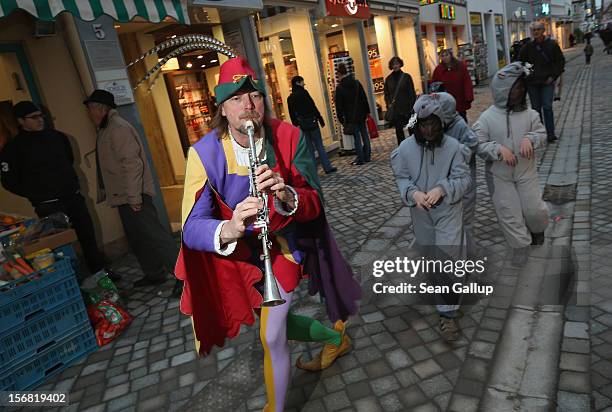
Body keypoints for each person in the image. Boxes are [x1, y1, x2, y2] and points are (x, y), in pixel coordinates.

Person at [174, 57, 361, 412]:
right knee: (280, 324)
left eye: (255, 96)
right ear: (223, 110)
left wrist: (287, 194)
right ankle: (336, 336)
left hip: (285, 248)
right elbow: (191, 226)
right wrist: (228, 228)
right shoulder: (203, 153)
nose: (248, 106)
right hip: (238, 256)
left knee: (271, 335)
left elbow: (315, 200)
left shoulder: (288, 137)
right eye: (236, 99)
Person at [0, 101, 118, 280]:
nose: (40, 120)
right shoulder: (13, 149)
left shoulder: (58, 137)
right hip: (48, 205)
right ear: (21, 121)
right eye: (34, 118)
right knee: (60, 246)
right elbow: (9, 181)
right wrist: (37, 193)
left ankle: (101, 274)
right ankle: (72, 281)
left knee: (88, 237)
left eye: (41, 116)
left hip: (73, 198)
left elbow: (68, 161)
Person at [391, 95, 471, 341]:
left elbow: (463, 179)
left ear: (442, 123)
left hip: (448, 209)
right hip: (421, 213)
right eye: (423, 124)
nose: (428, 130)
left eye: (433, 124)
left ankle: (447, 315)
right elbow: (402, 178)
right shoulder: (404, 150)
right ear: (417, 124)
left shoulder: (454, 148)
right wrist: (413, 193)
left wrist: (442, 188)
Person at [83, 90, 179, 288]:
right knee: (138, 238)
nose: (89, 113)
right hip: (124, 195)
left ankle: (183, 276)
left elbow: (132, 163)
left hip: (134, 195)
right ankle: (154, 273)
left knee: (155, 236)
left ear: (101, 108)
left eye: (91, 108)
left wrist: (134, 196)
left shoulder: (117, 128)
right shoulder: (106, 128)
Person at [473, 62, 549, 267]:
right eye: (515, 88)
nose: (520, 91)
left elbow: (541, 134)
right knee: (509, 212)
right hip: (499, 176)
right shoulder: (486, 118)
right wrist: (498, 150)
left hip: (526, 171)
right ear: (503, 90)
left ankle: (537, 229)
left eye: (521, 88)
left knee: (534, 209)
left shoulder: (530, 114)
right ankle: (520, 246)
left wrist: (530, 139)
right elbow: (477, 144)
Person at [436, 92, 483, 257]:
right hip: (447, 184)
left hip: (464, 185)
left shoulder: (460, 126)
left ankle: (469, 256)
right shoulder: (441, 128)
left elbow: (472, 145)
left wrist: (454, 154)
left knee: (465, 221)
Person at [519, 22, 565, 143]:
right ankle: (540, 133)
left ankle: (550, 133)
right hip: (533, 83)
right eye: (534, 30)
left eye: (538, 29)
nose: (536, 32)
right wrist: (529, 74)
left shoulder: (552, 45)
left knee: (547, 107)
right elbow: (521, 63)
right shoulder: (527, 47)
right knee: (536, 109)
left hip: (547, 81)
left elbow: (560, 62)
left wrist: (553, 76)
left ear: (543, 30)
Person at [287, 76, 337, 174]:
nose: (303, 84)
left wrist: (296, 125)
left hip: (302, 125)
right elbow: (312, 106)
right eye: (302, 82)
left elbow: (292, 114)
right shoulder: (304, 93)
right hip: (312, 122)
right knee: (319, 145)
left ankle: (313, 171)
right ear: (298, 82)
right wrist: (320, 118)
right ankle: (327, 167)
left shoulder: (290, 98)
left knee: (309, 149)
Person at [334, 63, 372, 165]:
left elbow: (339, 106)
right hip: (361, 113)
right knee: (364, 135)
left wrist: (341, 119)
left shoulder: (340, 88)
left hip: (350, 116)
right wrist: (367, 112)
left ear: (339, 74)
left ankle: (360, 158)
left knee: (356, 137)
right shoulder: (356, 83)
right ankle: (367, 155)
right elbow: (364, 98)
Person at [431, 49, 474, 123]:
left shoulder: (460, 66)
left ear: (450, 55)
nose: (445, 57)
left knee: (462, 117)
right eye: (442, 56)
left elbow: (467, 81)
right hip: (446, 100)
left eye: (446, 55)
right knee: (449, 120)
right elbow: (434, 84)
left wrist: (468, 95)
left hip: (459, 98)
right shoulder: (438, 69)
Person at [384, 56, 417, 145]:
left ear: (400, 64)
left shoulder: (406, 77)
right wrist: (388, 105)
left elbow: (412, 93)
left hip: (407, 109)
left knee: (412, 130)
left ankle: (414, 147)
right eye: (393, 64)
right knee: (399, 132)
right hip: (396, 110)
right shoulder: (388, 79)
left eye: (397, 64)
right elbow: (386, 94)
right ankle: (402, 149)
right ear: (391, 66)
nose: (395, 66)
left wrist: (412, 107)